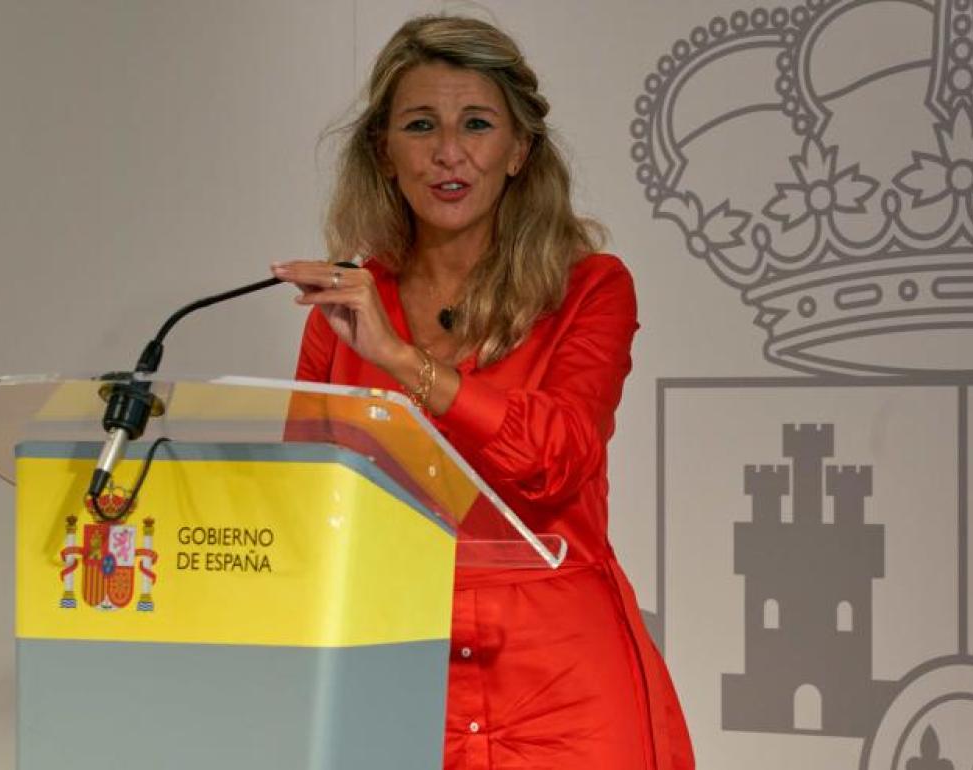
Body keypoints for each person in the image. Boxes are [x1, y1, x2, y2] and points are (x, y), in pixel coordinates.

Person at [271, 15, 694, 770]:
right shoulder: (347, 307)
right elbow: (308, 501)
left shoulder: (589, 288)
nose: (448, 152)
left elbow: (556, 459)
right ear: (384, 151)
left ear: (519, 150)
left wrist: (402, 362)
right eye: (419, 125)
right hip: (396, 671)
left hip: (559, 685)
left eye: (476, 124)